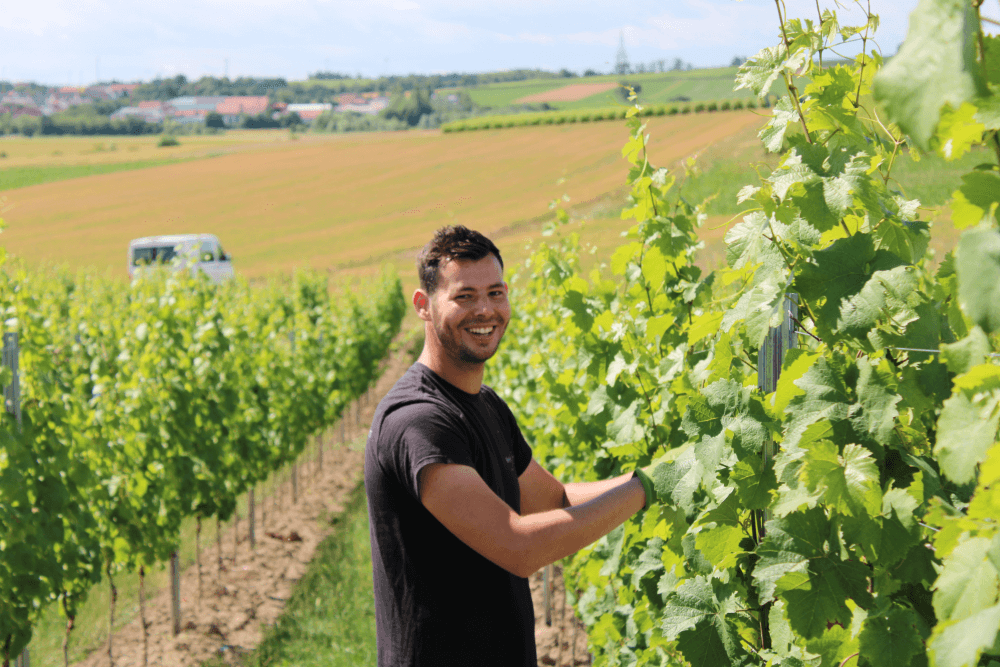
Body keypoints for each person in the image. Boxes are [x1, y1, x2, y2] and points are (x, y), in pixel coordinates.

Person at [364, 225, 654, 667]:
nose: (485, 309)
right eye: (464, 296)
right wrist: (643, 492)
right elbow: (520, 548)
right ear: (424, 306)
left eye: (496, 293)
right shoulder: (419, 421)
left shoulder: (486, 406)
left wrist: (649, 478)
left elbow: (550, 499)